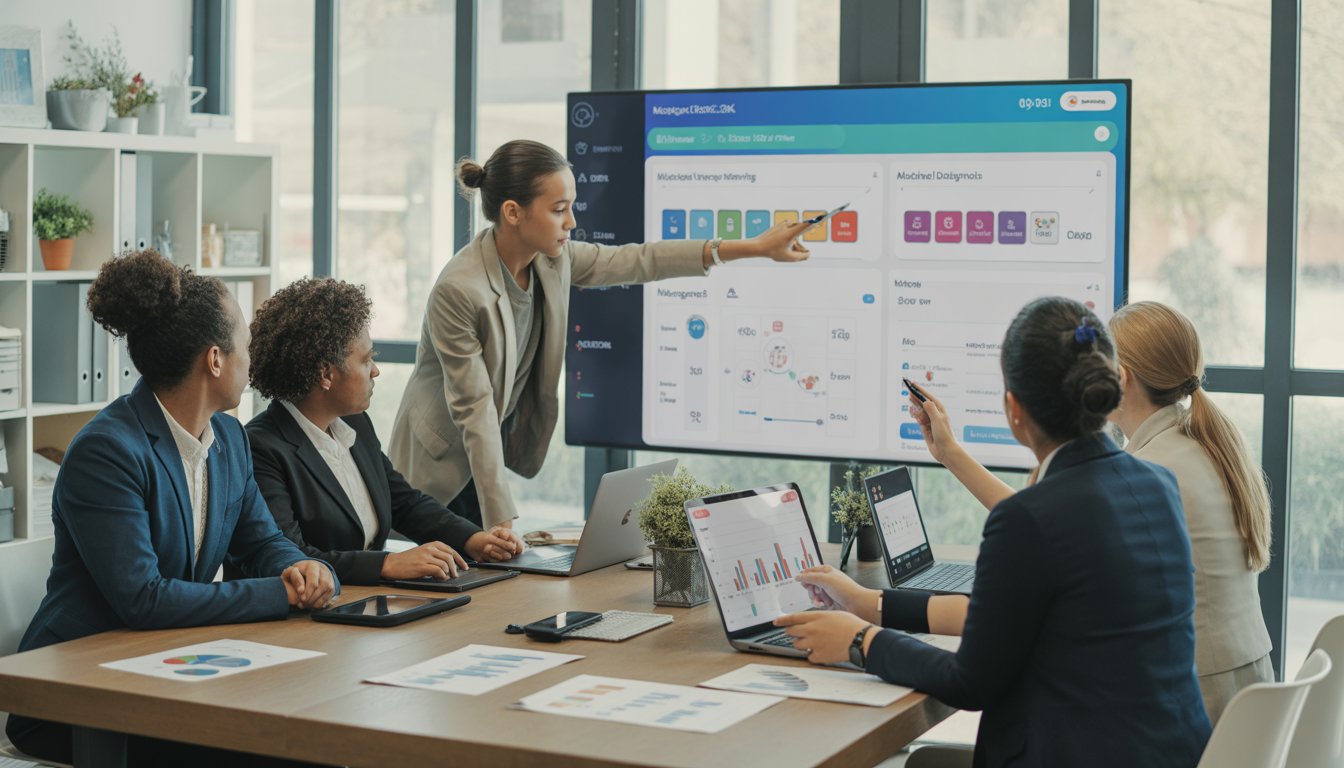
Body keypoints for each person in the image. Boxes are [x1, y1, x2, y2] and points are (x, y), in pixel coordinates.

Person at [775, 297, 1211, 768]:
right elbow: (999, 615)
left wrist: (861, 642)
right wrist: (869, 604)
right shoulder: (1157, 485)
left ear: (1013, 408)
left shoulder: (1030, 517)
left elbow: (972, 682)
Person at [6, 250, 337, 766]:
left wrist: (298, 568)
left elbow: (263, 540)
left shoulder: (228, 438)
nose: (251, 362)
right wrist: (278, 594)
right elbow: (143, 598)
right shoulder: (108, 450)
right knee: (275, 750)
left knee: (306, 734)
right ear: (215, 359)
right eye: (245, 346)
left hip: (166, 668)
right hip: (76, 695)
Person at [388, 139, 813, 528]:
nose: (571, 222)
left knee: (492, 573)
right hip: (437, 467)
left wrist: (753, 247)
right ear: (513, 212)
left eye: (572, 207)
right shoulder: (459, 290)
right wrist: (501, 519)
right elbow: (475, 409)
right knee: (464, 582)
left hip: (485, 451)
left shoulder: (554, 259)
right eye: (559, 210)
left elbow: (640, 260)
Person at [899, 300, 1272, 724]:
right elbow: (1055, 519)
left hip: (1199, 708)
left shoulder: (1153, 470)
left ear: (1120, 378)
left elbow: (1054, 521)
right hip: (1243, 705)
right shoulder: (1195, 444)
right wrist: (951, 454)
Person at [245, 277, 524, 586]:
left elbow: (404, 502)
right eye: (366, 360)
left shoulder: (355, 425)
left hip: (362, 609)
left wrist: (475, 539)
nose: (375, 370)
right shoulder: (262, 447)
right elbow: (291, 557)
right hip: (307, 621)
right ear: (326, 373)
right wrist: (386, 564)